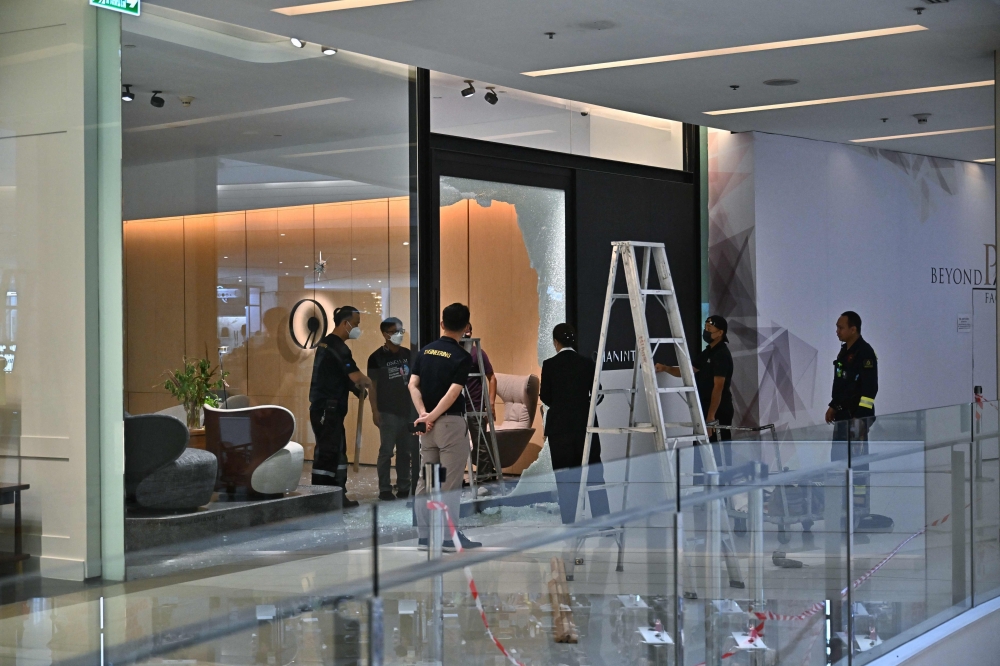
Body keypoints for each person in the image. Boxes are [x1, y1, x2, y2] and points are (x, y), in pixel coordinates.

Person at [409, 303, 482, 551]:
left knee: (427, 482)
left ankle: (424, 537)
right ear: (466, 327)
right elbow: (453, 394)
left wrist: (423, 415)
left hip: (427, 429)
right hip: (450, 424)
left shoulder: (425, 352)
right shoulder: (462, 356)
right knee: (450, 484)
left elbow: (412, 385)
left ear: (442, 324)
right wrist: (435, 415)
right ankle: (449, 539)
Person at [539, 323, 610, 525]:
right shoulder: (587, 363)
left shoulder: (550, 365)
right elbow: (598, 393)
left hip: (559, 427)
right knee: (594, 472)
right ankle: (603, 519)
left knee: (565, 475)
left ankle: (570, 520)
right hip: (585, 425)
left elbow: (546, 397)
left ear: (555, 342)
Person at [308, 305, 371, 509]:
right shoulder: (337, 347)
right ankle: (326, 497)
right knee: (330, 454)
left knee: (336, 452)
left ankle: (335, 495)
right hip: (328, 410)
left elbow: (339, 376)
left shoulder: (327, 344)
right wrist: (368, 383)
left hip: (327, 409)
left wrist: (354, 389)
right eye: (356, 324)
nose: (357, 329)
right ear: (346, 324)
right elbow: (355, 375)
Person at [657, 315, 734, 476]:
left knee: (717, 457)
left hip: (717, 411)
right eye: (705, 328)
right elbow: (688, 371)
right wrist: (665, 368)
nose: (706, 332)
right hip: (704, 410)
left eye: (709, 329)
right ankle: (702, 497)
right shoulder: (708, 353)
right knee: (701, 455)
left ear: (720, 333)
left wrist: (711, 416)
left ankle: (723, 497)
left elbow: (718, 387)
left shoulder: (721, 354)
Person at [825, 310, 878, 535]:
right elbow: (842, 384)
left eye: (840, 327)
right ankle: (841, 509)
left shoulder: (865, 353)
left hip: (856, 421)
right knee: (838, 463)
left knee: (857, 468)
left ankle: (858, 511)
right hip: (842, 417)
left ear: (853, 329)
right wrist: (832, 405)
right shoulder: (844, 351)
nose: (837, 331)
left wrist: (860, 419)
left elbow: (869, 390)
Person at [367, 317, 420, 501]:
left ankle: (404, 486)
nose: (399, 335)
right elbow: (371, 387)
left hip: (408, 411)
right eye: (394, 332)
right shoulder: (376, 358)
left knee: (405, 452)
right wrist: (375, 410)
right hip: (387, 411)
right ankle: (385, 489)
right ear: (384, 334)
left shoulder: (408, 354)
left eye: (401, 331)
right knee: (387, 451)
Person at [463, 324, 498, 484]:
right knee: (454, 445)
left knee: (480, 443)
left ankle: (484, 477)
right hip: (455, 407)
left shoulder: (478, 353)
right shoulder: (451, 353)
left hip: (475, 405)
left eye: (469, 328)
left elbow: (492, 377)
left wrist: (491, 403)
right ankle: (455, 479)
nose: (467, 331)